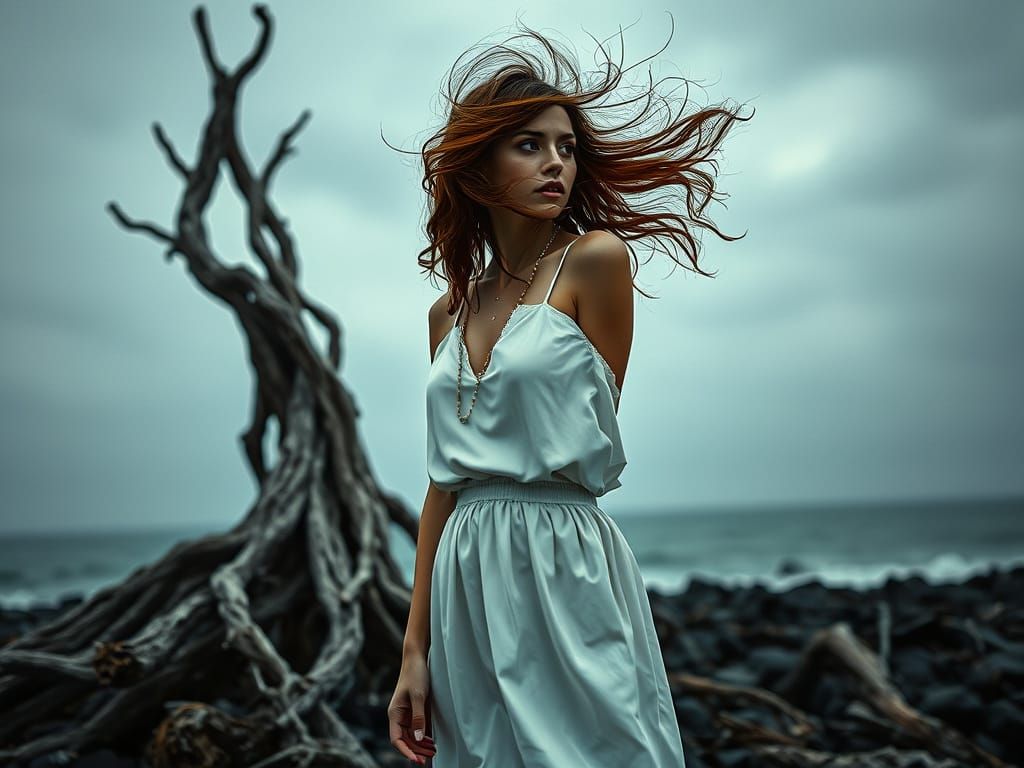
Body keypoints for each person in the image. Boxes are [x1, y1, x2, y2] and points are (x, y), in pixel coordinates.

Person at [388, 19, 749, 767]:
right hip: (465, 572)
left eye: (567, 148)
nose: (557, 163)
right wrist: (412, 649)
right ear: (478, 167)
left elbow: (587, 424)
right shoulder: (444, 313)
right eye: (531, 145)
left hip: (563, 555)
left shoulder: (594, 262)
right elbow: (442, 483)